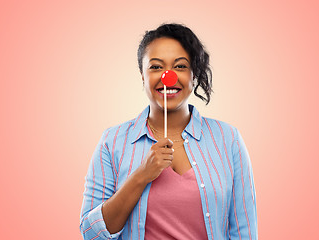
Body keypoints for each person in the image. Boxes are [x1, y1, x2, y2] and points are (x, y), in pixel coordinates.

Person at [80, 23, 258, 240]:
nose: (168, 76)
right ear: (142, 75)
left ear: (194, 75)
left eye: (180, 66)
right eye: (156, 67)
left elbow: (244, 232)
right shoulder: (112, 141)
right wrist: (141, 176)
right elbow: (91, 233)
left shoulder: (228, 139)